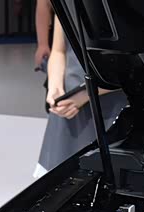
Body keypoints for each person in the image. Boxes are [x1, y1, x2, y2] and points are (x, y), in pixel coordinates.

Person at [34, 17, 126, 178]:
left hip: (115, 109)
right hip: (68, 107)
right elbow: (58, 50)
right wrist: (55, 87)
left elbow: (136, 65)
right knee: (60, 182)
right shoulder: (66, 6)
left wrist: (83, 96)